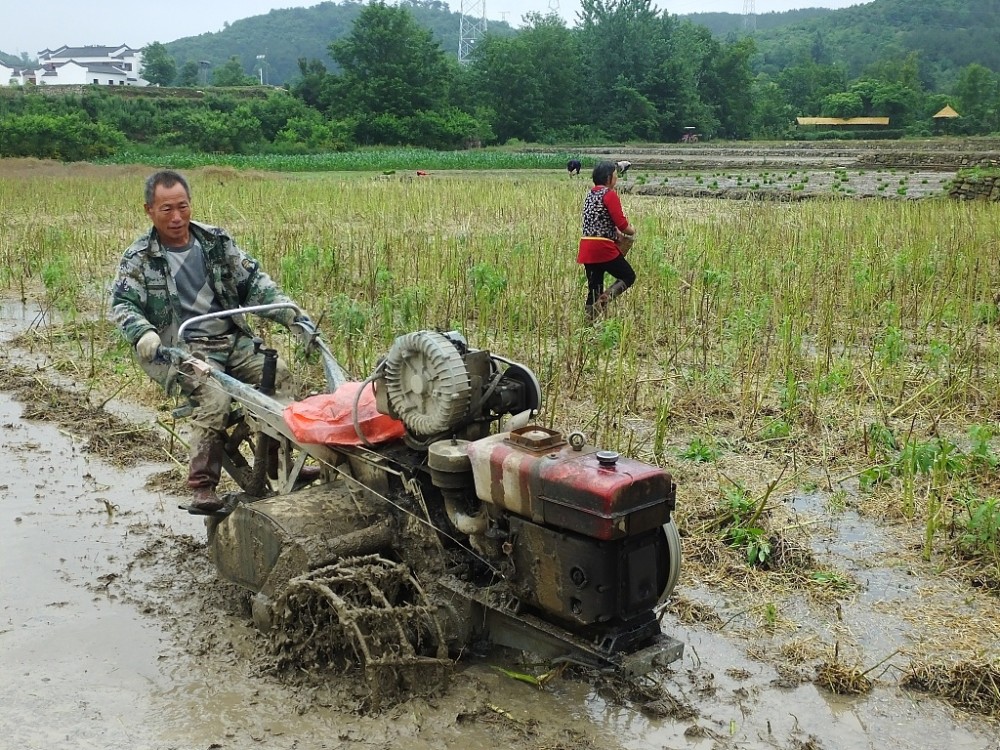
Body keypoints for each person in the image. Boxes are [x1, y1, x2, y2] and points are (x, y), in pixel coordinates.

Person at [110, 170, 318, 514]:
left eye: (182, 207)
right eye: (166, 210)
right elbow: (122, 304)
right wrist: (142, 333)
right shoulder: (139, 258)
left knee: (279, 376)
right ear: (149, 210)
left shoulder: (216, 242)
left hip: (231, 338)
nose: (176, 217)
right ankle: (203, 486)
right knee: (216, 398)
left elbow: (254, 282)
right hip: (186, 347)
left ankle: (279, 464)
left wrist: (292, 315)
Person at [577, 160, 636, 322]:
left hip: (586, 247)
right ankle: (605, 299)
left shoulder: (590, 194)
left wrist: (614, 230)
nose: (616, 179)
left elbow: (598, 220)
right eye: (615, 176)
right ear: (608, 178)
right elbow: (622, 225)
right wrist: (632, 231)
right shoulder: (609, 194)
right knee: (628, 276)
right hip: (602, 247)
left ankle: (587, 326)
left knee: (594, 289)